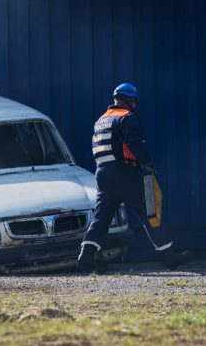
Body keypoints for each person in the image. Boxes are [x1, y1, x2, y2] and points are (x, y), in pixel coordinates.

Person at [77, 83, 190, 272]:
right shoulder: (127, 118)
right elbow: (135, 145)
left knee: (101, 217)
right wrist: (147, 164)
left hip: (103, 174)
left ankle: (86, 255)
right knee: (150, 211)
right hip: (125, 173)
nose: (135, 107)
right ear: (130, 100)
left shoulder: (100, 120)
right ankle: (169, 256)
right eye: (134, 103)